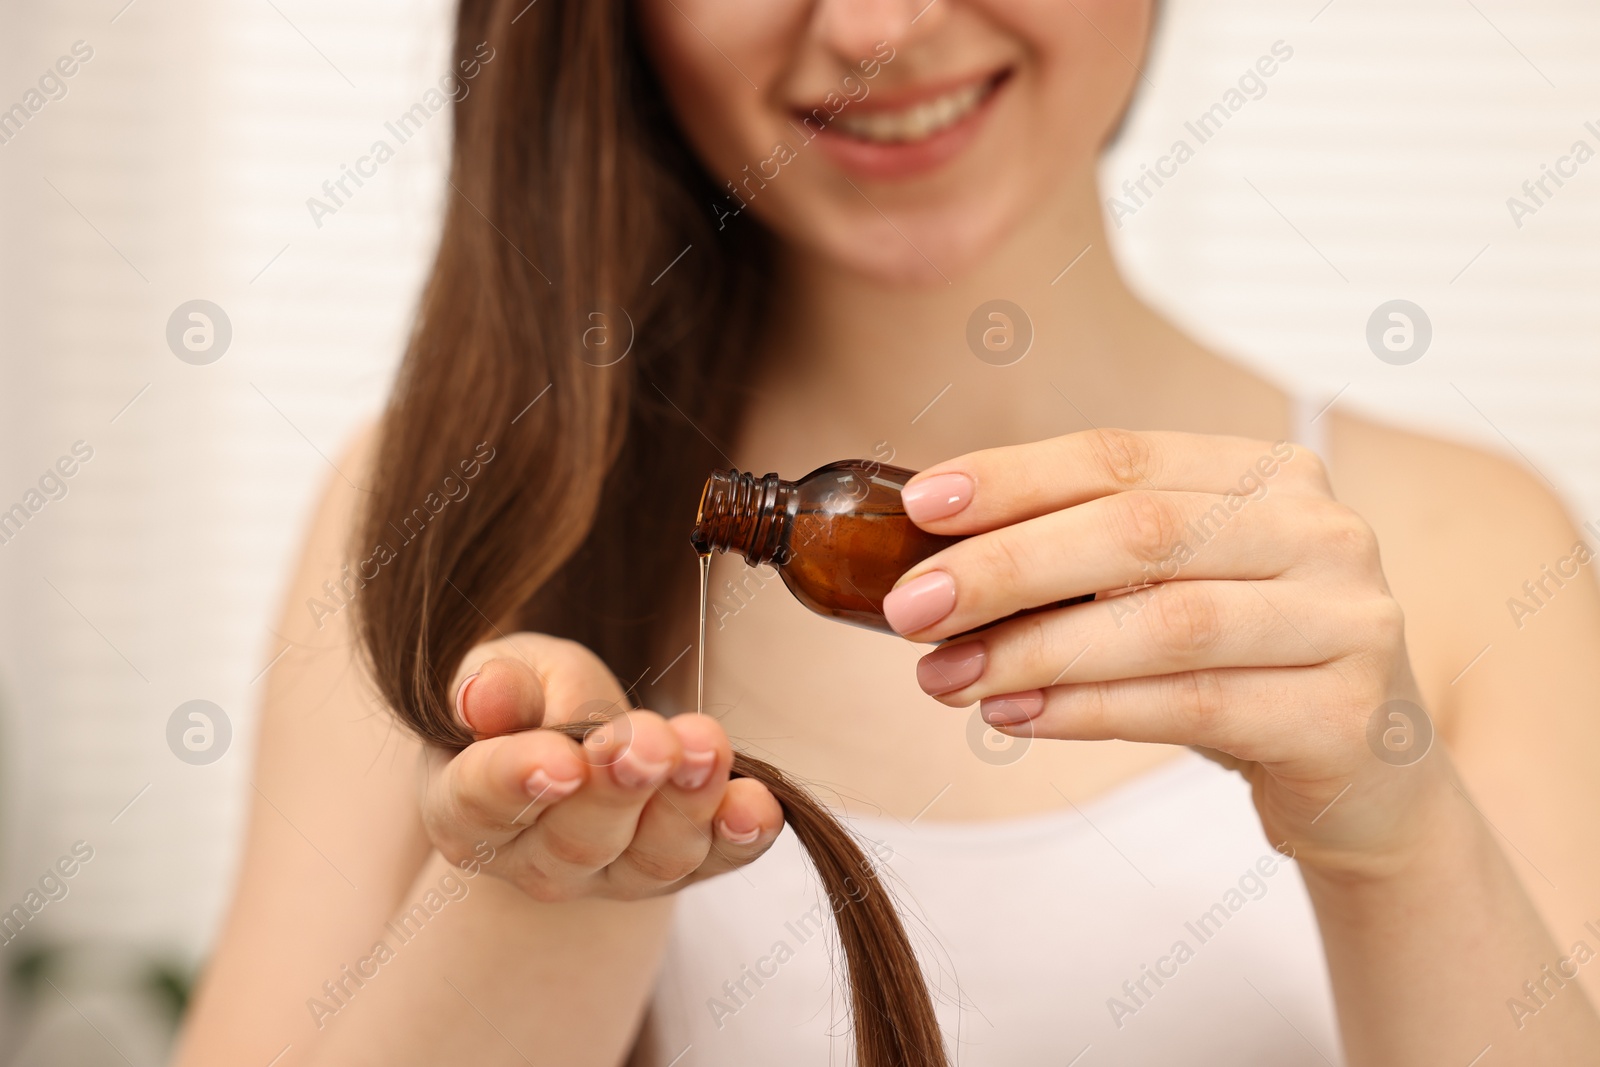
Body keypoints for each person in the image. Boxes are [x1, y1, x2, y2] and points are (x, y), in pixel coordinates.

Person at [173, 1, 1600, 1064]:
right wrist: (546, 903)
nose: (876, 27)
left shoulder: (1468, 548)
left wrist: (1404, 851)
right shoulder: (450, 510)